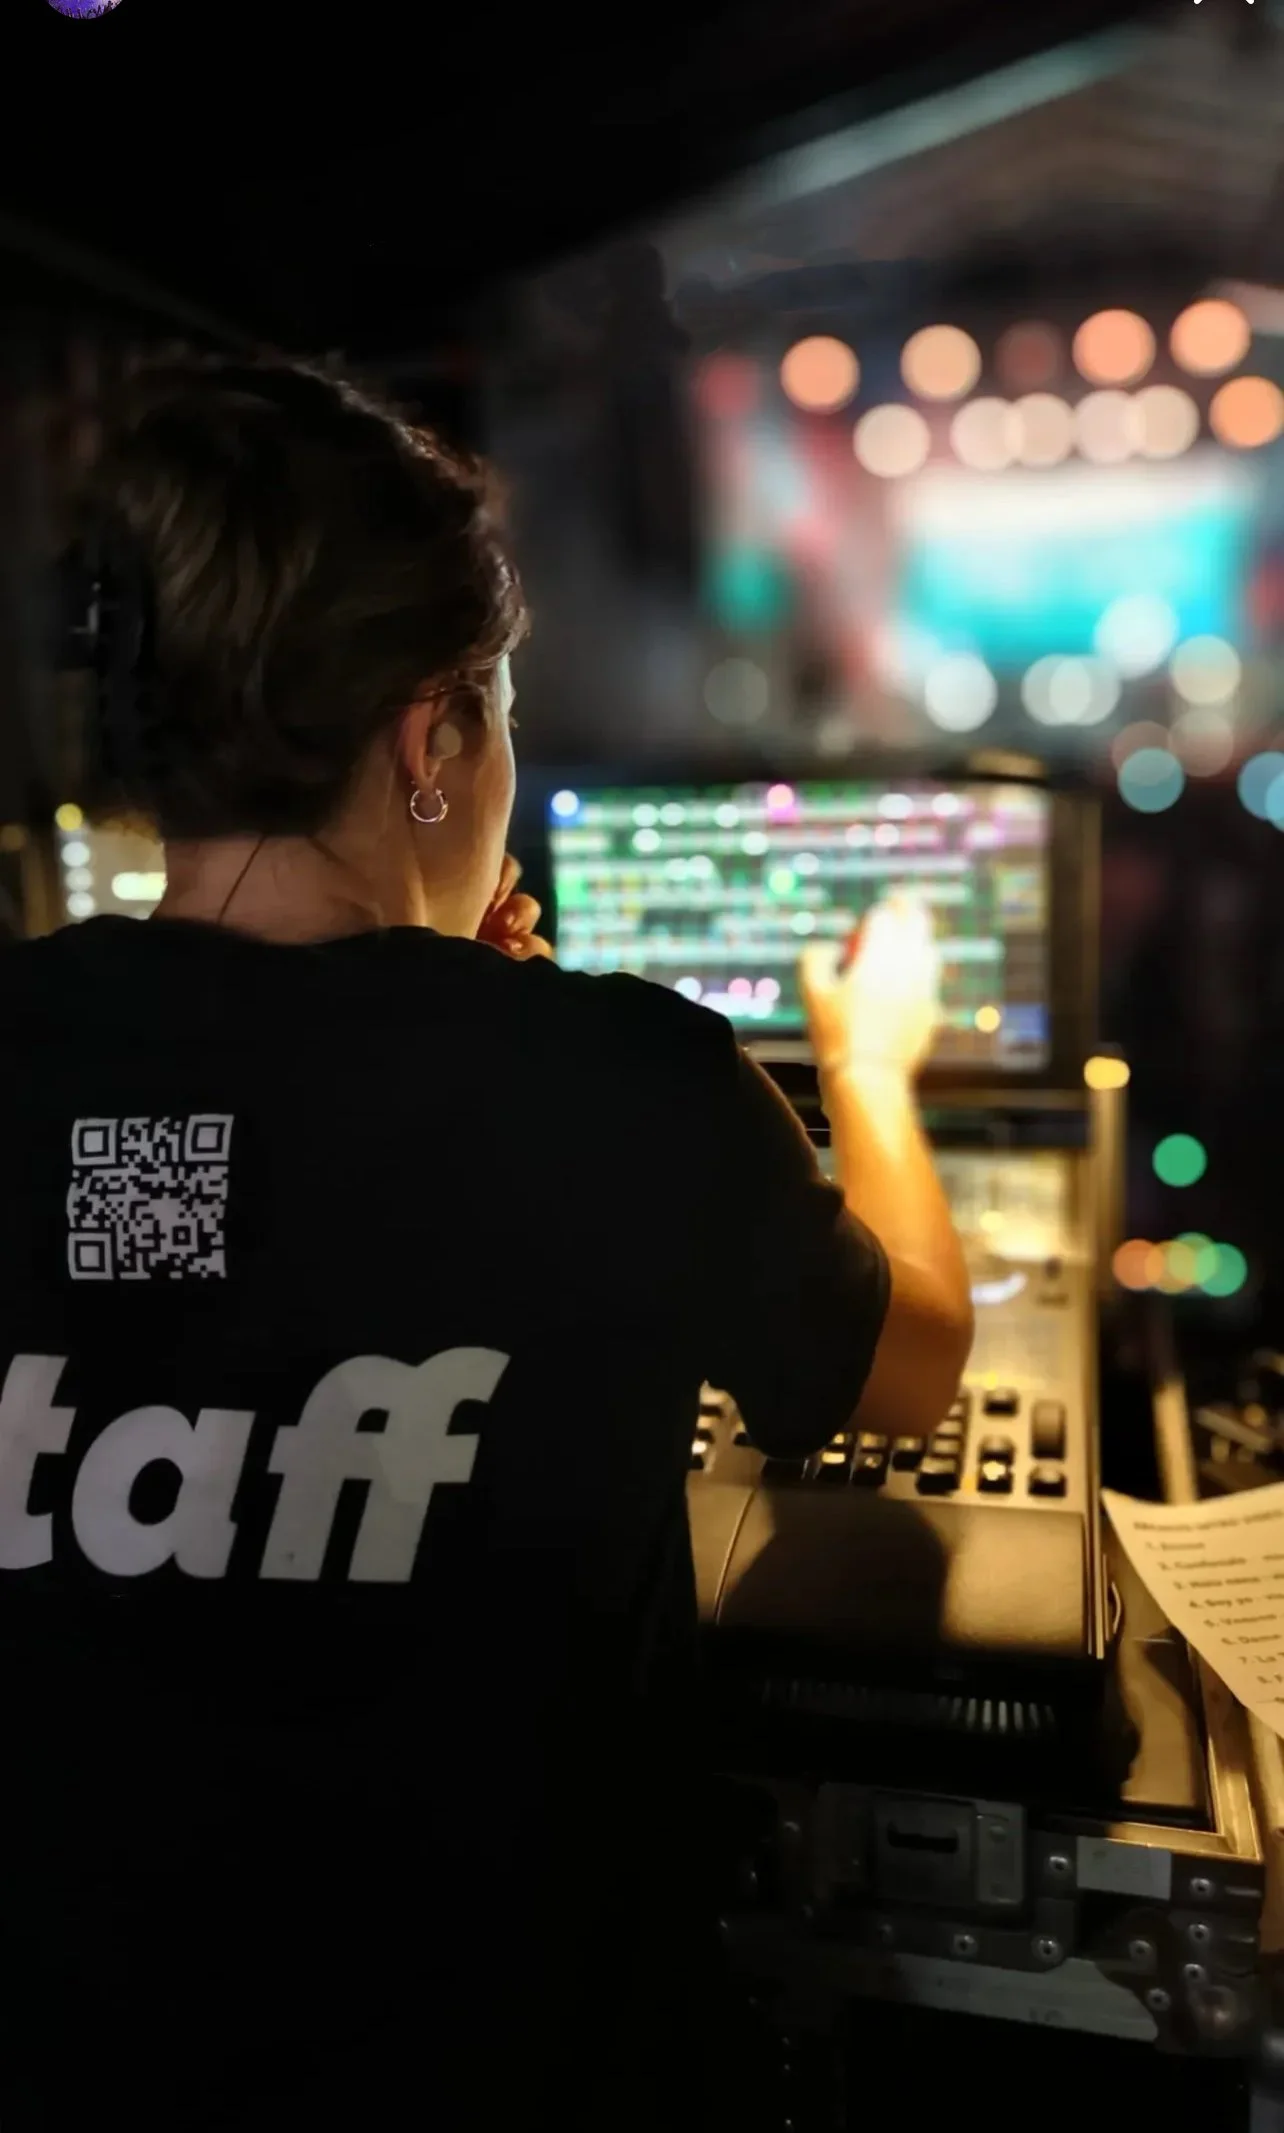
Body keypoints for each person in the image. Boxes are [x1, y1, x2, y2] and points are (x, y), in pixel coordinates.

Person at [0, 354, 971, 2132]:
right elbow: (911, 1372)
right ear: (431, 737)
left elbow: (203, 1253)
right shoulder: (615, 1084)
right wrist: (869, 1070)